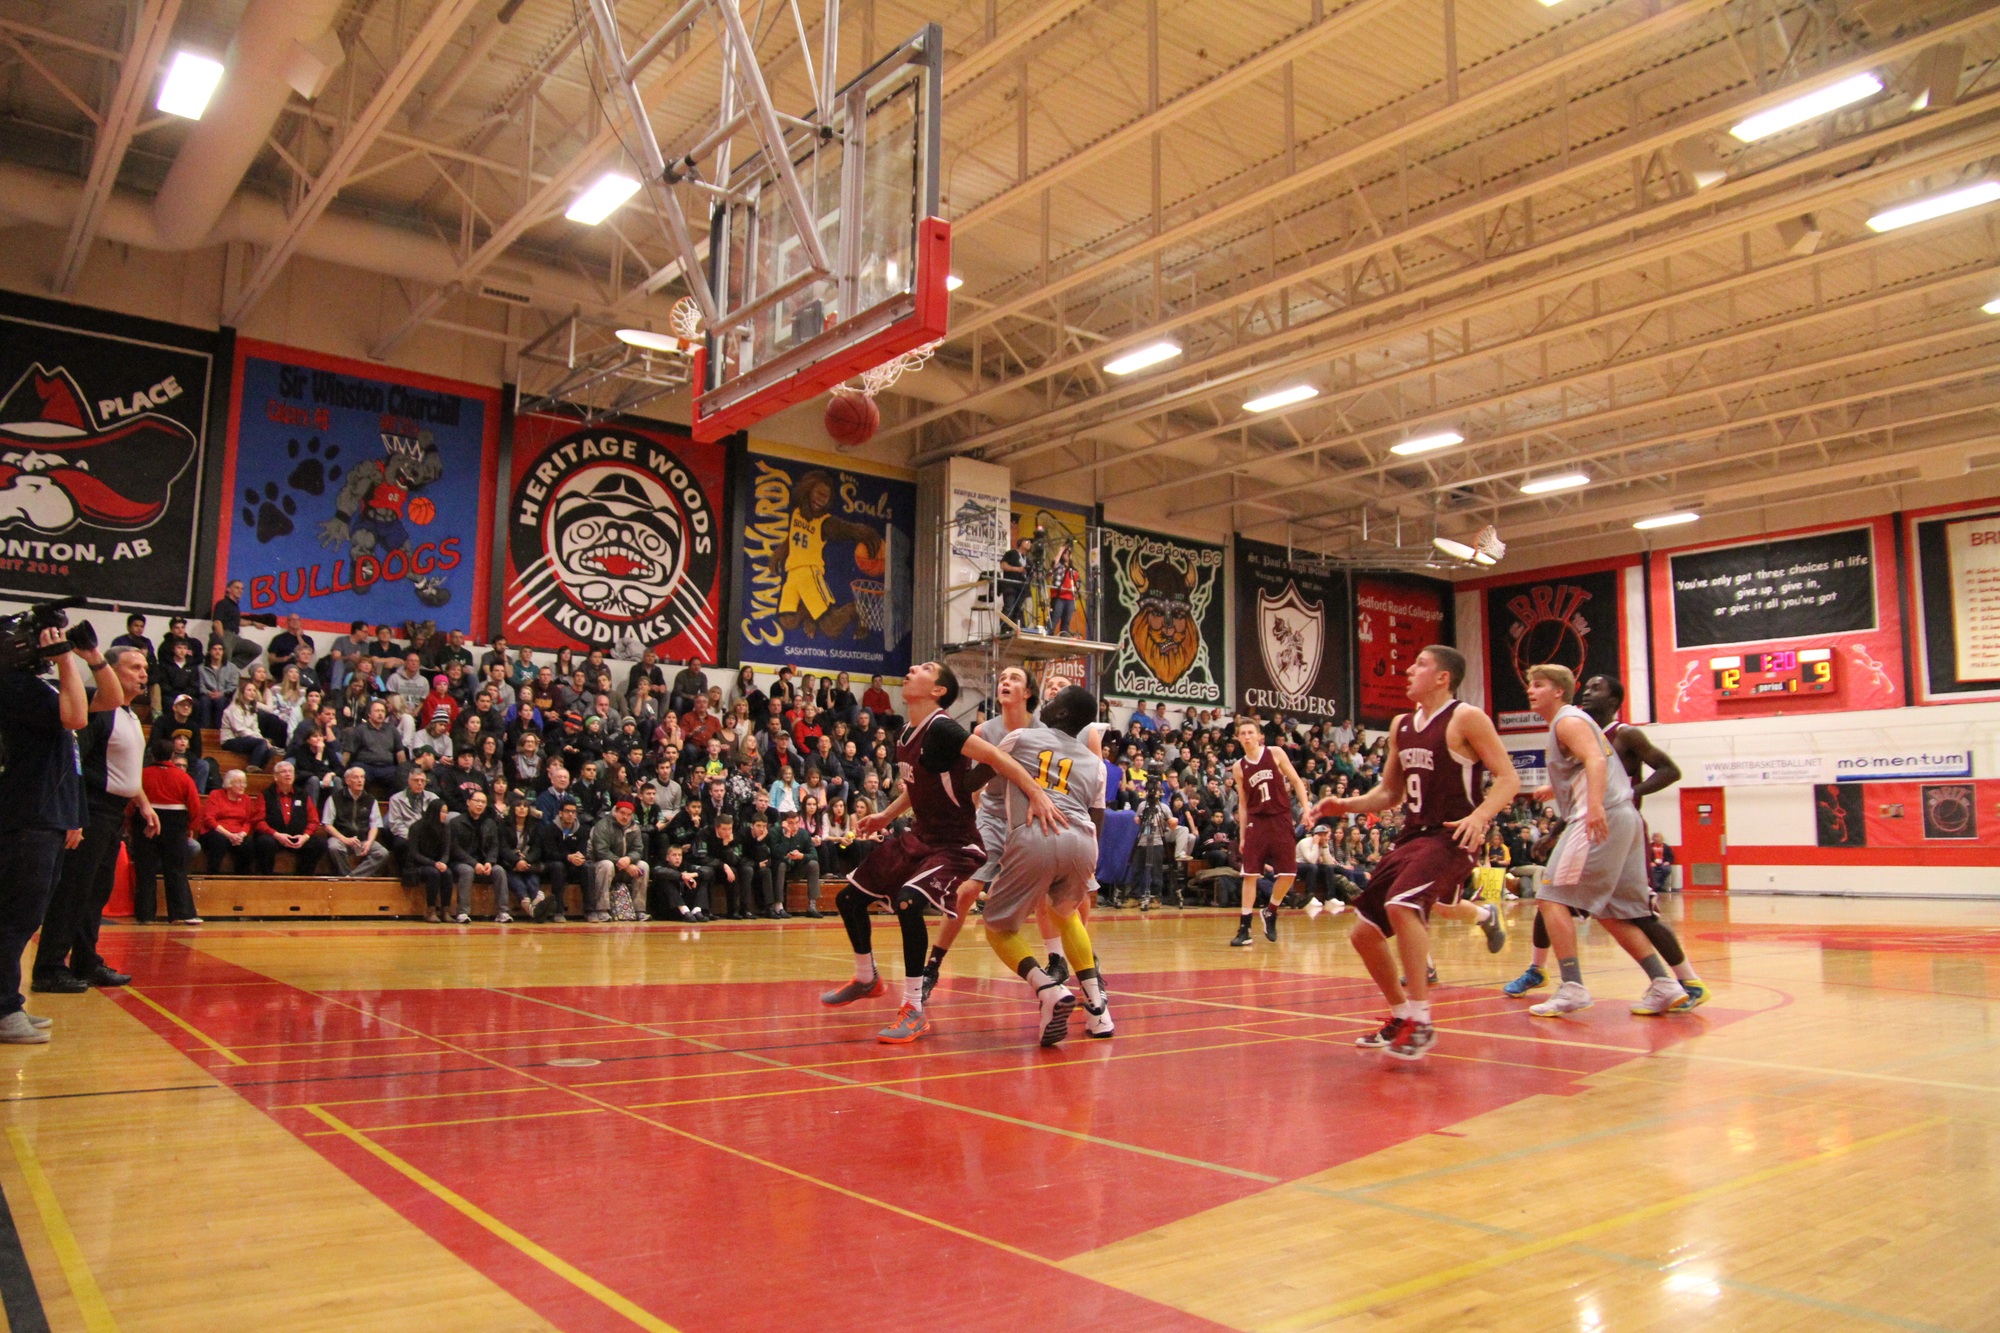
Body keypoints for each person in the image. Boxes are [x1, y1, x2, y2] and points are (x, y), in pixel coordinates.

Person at [818, 660, 1061, 1045]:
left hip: (954, 844)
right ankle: (867, 978)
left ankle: (913, 1008)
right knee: (848, 899)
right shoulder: (905, 732)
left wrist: (1036, 794)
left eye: (926, 668)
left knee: (909, 902)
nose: (913, 668)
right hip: (921, 837)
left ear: (938, 691)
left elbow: (998, 758)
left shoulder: (944, 728)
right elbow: (919, 786)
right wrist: (885, 815)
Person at [1314, 645, 1520, 1062]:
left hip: (1451, 835)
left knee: (1402, 904)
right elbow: (1390, 793)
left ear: (1443, 677)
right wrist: (1345, 805)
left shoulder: (1466, 718)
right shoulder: (1401, 725)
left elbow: (1508, 778)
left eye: (1421, 664)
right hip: (1412, 835)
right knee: (1363, 933)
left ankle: (1423, 1022)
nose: (1409, 669)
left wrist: (1480, 816)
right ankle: (1401, 1014)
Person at [1505, 673, 1706, 1008]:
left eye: (1538, 685)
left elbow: (1598, 761)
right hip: (1621, 817)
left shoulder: (1570, 721)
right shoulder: (1584, 724)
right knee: (1613, 910)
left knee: (1551, 898)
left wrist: (1596, 805)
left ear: (1559, 691)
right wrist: (1558, 791)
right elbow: (1593, 768)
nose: (1530, 690)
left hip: (1602, 817)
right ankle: (1664, 984)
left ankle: (1571, 986)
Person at [982, 684, 1117, 1045]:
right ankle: (1098, 1010)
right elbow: (1096, 814)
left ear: (1060, 713)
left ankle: (1048, 988)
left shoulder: (1021, 737)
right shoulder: (1096, 764)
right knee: (1066, 914)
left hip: (1036, 835)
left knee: (997, 928)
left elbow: (978, 780)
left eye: (1055, 700)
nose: (1047, 701)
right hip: (1083, 843)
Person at [33, 641, 151, 995]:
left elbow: (126, 769)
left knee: (95, 893)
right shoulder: (100, 712)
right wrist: (74, 816)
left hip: (114, 814)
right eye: (135, 667)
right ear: (110, 671)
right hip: (92, 811)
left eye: (145, 668)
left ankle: (86, 960)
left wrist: (143, 804)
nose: (143, 674)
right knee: (72, 891)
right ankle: (50, 967)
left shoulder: (130, 715)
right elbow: (75, 765)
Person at [0, 624, 95, 1039]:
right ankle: (4, 1009)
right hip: (29, 817)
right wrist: (65, 658)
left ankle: (9, 1002)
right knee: (15, 918)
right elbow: (75, 716)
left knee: (25, 918)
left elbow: (100, 704)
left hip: (44, 816)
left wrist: (86, 658)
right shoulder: (12, 685)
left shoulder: (32, 686)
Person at [1228, 714, 1313, 947]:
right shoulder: (1239, 767)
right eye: (1243, 733)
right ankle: (1244, 928)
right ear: (1237, 738)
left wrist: (1306, 810)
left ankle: (1271, 910)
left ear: (1259, 736)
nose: (1247, 737)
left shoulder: (1275, 753)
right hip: (1256, 820)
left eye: (1250, 732)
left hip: (1281, 817)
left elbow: (1297, 781)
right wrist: (1242, 835)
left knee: (1289, 873)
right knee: (1250, 875)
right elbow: (1243, 803)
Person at [131, 740, 204, 927]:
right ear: (172, 755)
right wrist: (191, 827)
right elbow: (195, 807)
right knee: (176, 870)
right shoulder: (183, 778)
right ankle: (182, 913)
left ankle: (145, 915)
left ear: (152, 755)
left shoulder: (141, 775)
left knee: (145, 870)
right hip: (175, 825)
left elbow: (130, 803)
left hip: (145, 823)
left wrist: (130, 826)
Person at [256, 761, 327, 874]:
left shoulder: (303, 795)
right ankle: (266, 878)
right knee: (265, 842)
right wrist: (276, 834)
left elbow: (314, 820)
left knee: (319, 844)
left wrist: (305, 836)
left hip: (298, 837)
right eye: (284, 772)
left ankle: (303, 878)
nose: (288, 774)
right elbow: (259, 821)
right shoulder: (265, 795)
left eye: (290, 772)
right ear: (275, 777)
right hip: (275, 837)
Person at [588, 799, 649, 923]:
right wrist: (624, 864)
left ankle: (639, 910)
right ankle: (602, 910)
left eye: (629, 814)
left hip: (625, 866)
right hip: (602, 865)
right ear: (615, 811)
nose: (625, 817)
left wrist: (629, 859)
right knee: (607, 865)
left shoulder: (635, 827)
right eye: (622, 813)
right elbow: (601, 851)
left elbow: (638, 850)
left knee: (643, 866)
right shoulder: (602, 825)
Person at [322, 766, 390, 877]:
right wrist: (344, 839)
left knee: (382, 853)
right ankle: (345, 877)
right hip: (340, 839)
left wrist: (369, 841)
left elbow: (375, 825)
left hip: (361, 841)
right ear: (347, 780)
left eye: (362, 777)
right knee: (334, 847)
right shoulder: (335, 798)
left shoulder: (370, 800)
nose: (360, 780)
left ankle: (352, 878)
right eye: (356, 777)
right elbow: (327, 824)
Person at [199, 769, 262, 874]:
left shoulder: (246, 799)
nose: (243, 785)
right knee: (219, 840)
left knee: (247, 843)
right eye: (239, 782)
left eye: (244, 782)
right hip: (215, 831)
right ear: (229, 784)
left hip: (237, 833)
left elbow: (248, 822)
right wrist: (229, 835)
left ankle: (242, 878)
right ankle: (212, 875)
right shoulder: (216, 794)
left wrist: (241, 834)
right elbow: (209, 819)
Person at [540, 800, 588, 922]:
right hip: (554, 864)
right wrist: (568, 857)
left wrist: (580, 857)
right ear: (560, 813)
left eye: (573, 812)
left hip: (573, 864)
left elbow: (583, 850)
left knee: (587, 867)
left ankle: (590, 910)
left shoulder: (582, 830)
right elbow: (549, 853)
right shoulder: (550, 829)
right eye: (567, 811)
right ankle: (558, 911)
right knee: (558, 867)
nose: (570, 814)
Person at [997, 537, 1031, 628]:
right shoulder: (1011, 553)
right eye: (1026, 541)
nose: (1029, 543)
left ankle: (1017, 629)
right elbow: (1003, 565)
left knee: (1019, 609)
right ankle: (1004, 630)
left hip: (1022, 588)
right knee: (1009, 608)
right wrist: (1018, 569)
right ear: (1020, 542)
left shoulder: (1028, 560)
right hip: (1010, 585)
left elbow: (1032, 573)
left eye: (1030, 542)